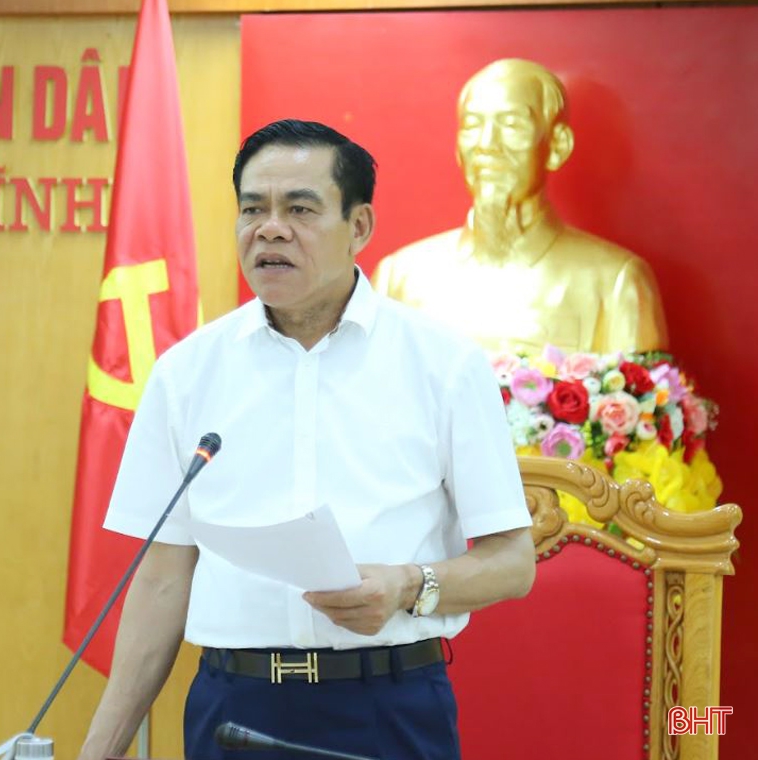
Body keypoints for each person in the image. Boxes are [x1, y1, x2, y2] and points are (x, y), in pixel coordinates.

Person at [77, 119, 535, 760]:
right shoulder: (186, 373)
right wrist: (98, 751)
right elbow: (160, 581)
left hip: (387, 705)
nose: (270, 229)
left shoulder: (444, 364)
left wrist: (408, 586)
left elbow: (513, 563)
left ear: (359, 227)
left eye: (299, 209)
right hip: (233, 711)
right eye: (252, 209)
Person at [374, 59, 668, 355]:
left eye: (512, 125)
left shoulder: (616, 284)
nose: (487, 144)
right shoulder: (398, 280)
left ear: (557, 146)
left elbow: (639, 381)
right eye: (473, 125)